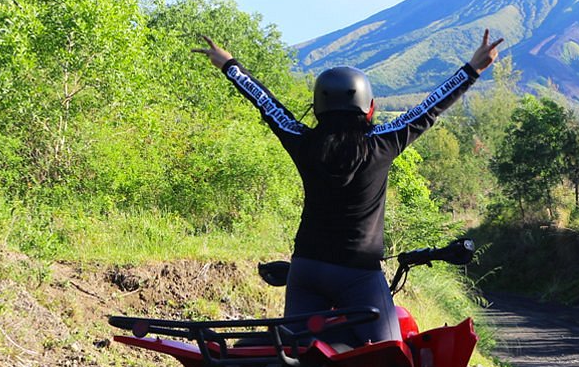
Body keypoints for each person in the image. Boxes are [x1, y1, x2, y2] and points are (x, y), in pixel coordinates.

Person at [194, 30, 503, 347]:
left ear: (317, 109)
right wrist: (473, 69)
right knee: (389, 359)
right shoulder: (383, 142)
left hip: (307, 269)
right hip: (359, 274)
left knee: (293, 354)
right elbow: (429, 108)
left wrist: (230, 65)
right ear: (369, 109)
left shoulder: (303, 141)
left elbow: (268, 105)